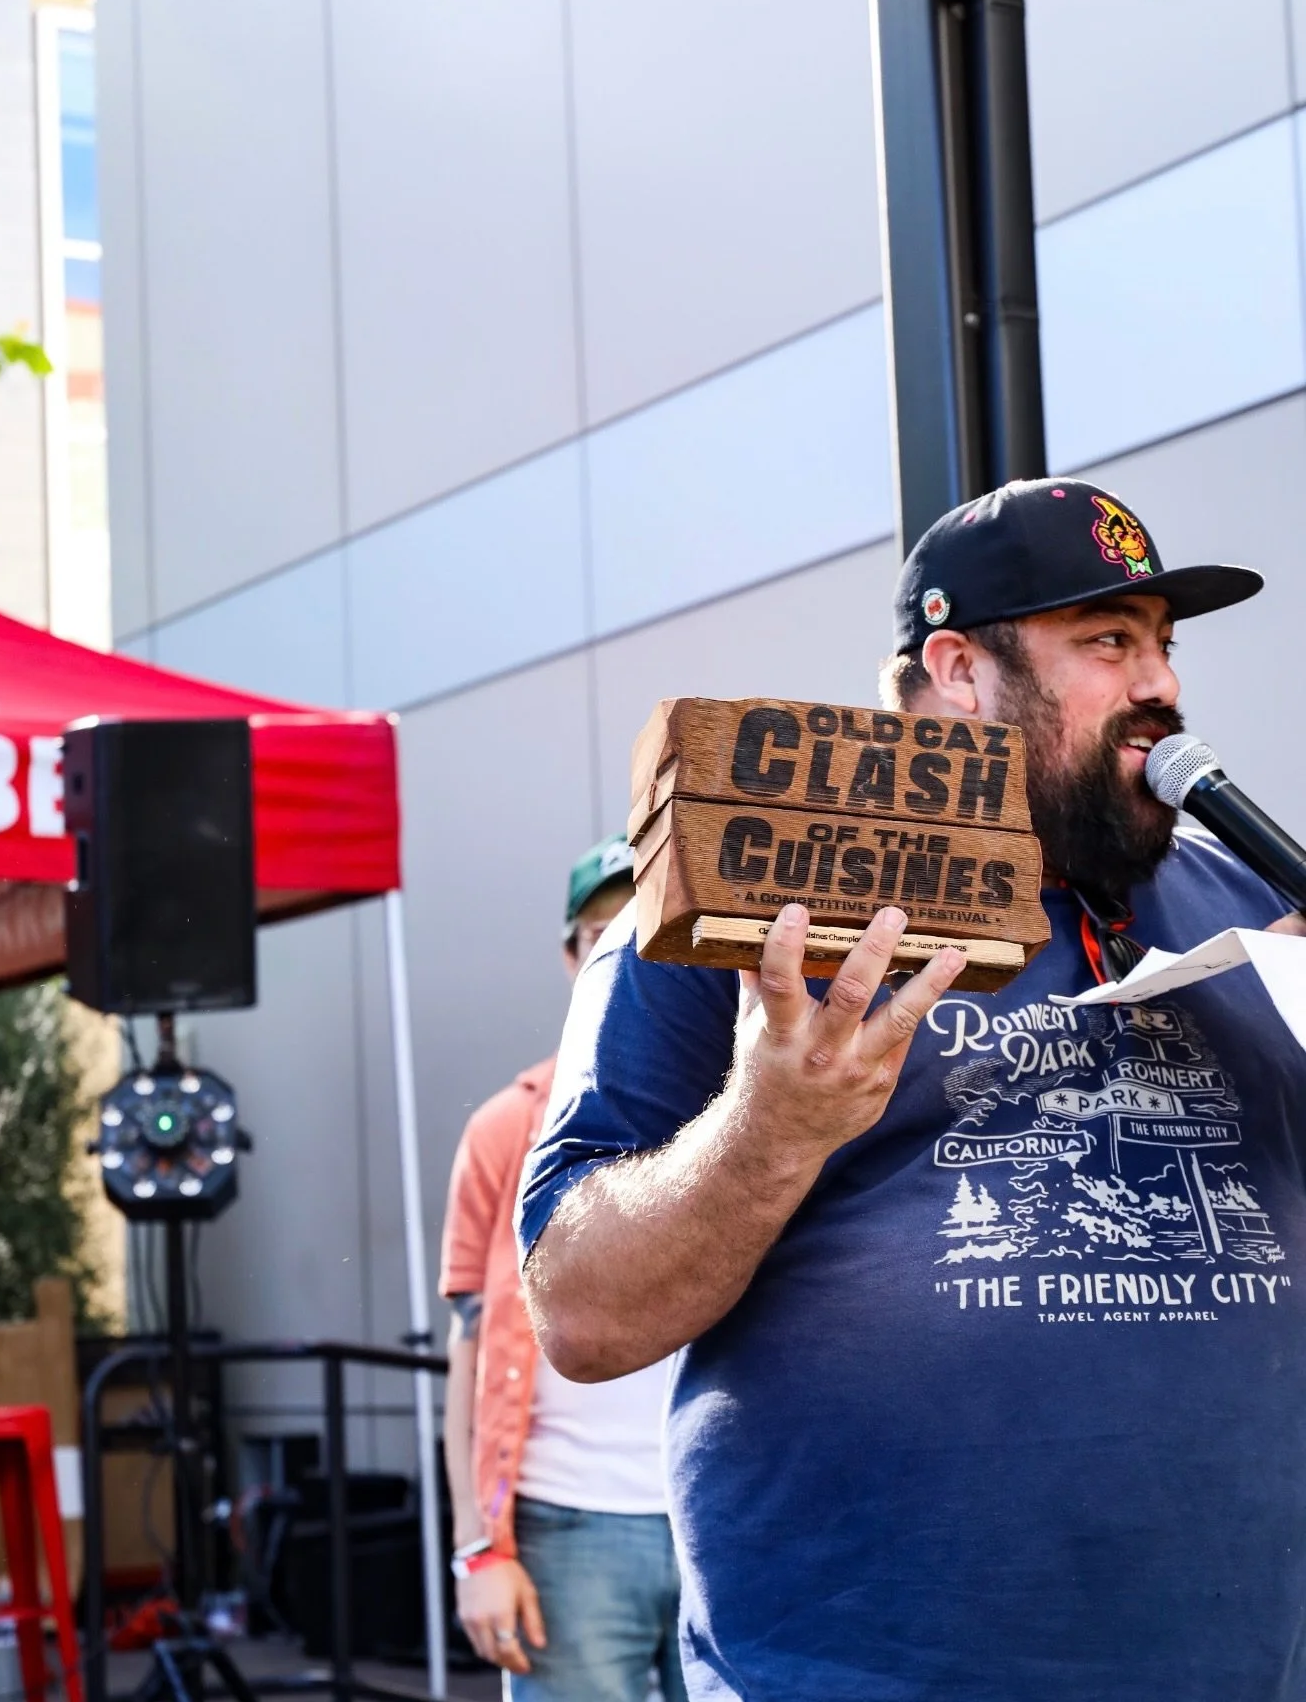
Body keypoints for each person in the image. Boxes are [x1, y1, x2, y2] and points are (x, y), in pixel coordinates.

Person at [516, 478, 1306, 1702]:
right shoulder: (746, 906)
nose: (1161, 683)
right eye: (1108, 640)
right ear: (959, 669)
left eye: (1164, 644)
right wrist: (769, 1127)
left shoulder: (1255, 909)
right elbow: (582, 1311)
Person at [440, 834, 685, 1701]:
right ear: (571, 956)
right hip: (567, 1528)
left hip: (723, 1514)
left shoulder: (747, 1101)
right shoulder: (507, 1128)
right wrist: (480, 1548)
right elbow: (470, 1352)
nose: (625, 952)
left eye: (647, 926)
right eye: (601, 935)